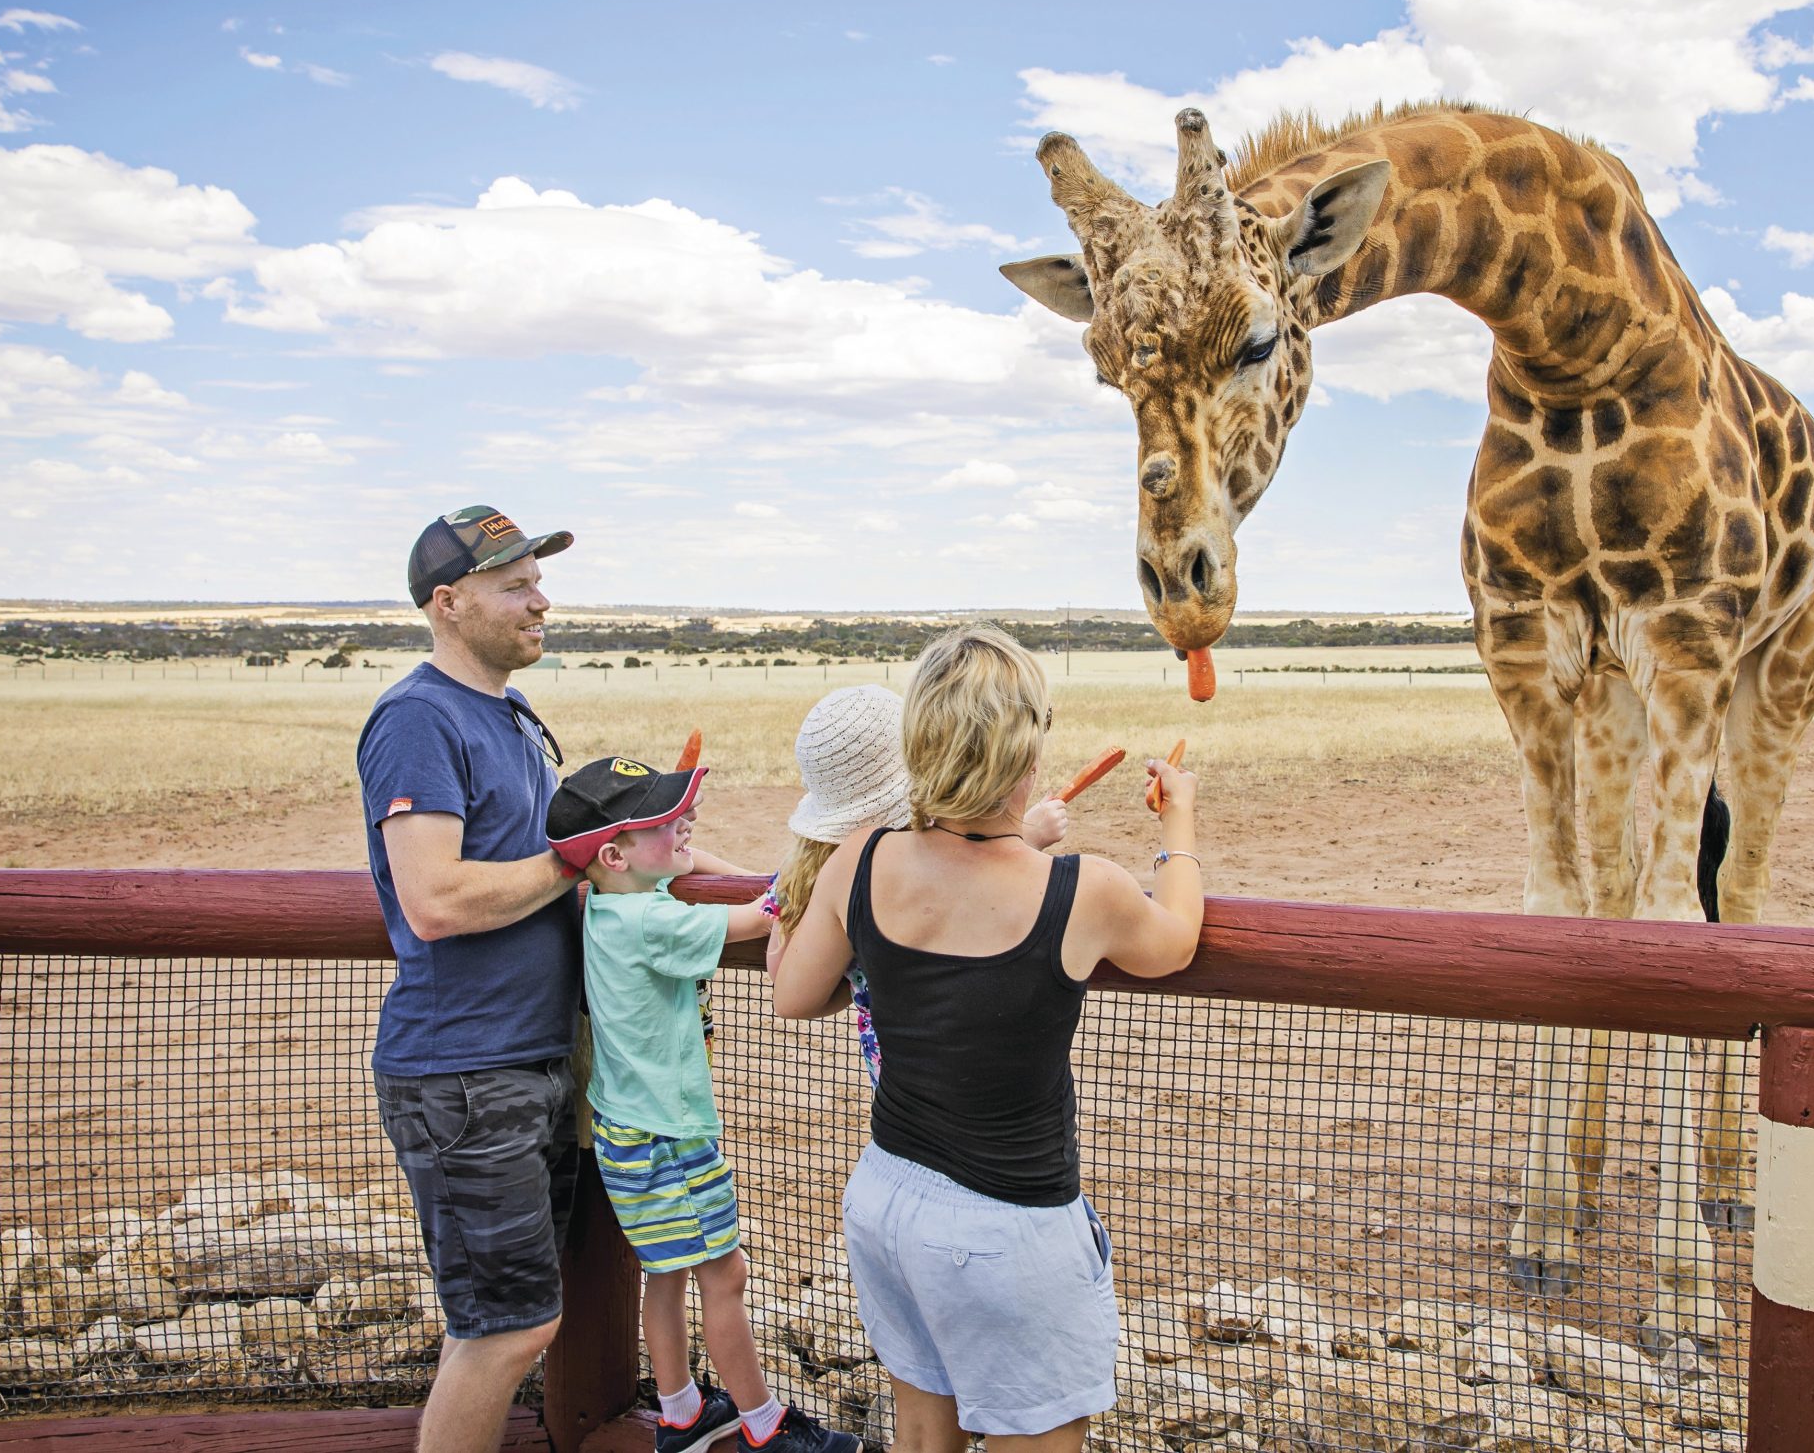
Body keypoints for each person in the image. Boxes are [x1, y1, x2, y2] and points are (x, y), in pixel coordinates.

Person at [772, 625, 1204, 1450]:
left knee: (925, 1439)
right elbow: (1175, 939)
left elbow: (796, 993)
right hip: (1008, 1230)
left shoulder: (862, 859)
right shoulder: (1086, 891)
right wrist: (1177, 825)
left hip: (888, 1197)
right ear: (1029, 752)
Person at [550, 756, 858, 1453]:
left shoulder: (608, 905)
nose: (683, 822)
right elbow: (761, 917)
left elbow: (685, 874)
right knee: (726, 1275)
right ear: (614, 853)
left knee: (667, 1274)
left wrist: (681, 851)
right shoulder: (650, 920)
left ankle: (682, 1412)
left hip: (631, 1132)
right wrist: (817, 865)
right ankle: (764, 1427)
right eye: (663, 821)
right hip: (671, 1137)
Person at [356, 505, 582, 1453]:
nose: (542, 600)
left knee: (517, 1317)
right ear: (449, 604)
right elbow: (436, 899)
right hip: (464, 1076)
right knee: (504, 1329)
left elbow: (555, 847)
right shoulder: (417, 719)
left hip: (523, 1064)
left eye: (537, 580)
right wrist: (578, 862)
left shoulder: (509, 712)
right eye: (514, 585)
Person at [762, 682, 1067, 1084]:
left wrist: (854, 976)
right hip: (981, 1097)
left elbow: (786, 984)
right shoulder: (910, 862)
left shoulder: (805, 872)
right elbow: (960, 893)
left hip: (895, 1107)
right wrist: (1023, 836)